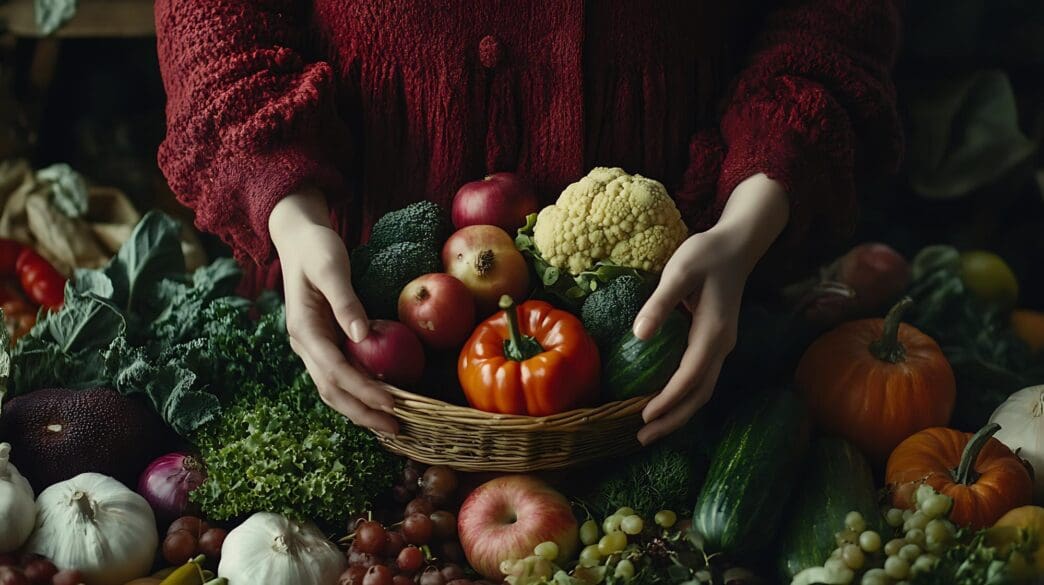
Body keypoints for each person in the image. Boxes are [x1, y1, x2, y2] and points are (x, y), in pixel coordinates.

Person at [155, 1, 902, 445]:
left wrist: (753, 212)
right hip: (351, 338)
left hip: (692, 333)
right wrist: (287, 210)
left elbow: (834, 16)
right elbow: (215, 13)